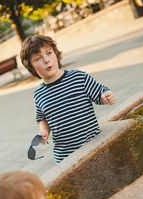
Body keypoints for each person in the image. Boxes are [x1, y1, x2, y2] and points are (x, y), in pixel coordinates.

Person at [20, 34, 115, 163]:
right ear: (31, 67)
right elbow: (41, 117)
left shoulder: (78, 77)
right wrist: (44, 131)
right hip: (65, 157)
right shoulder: (39, 94)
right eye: (38, 58)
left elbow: (100, 92)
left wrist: (105, 96)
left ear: (56, 54)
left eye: (49, 53)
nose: (46, 60)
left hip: (93, 146)